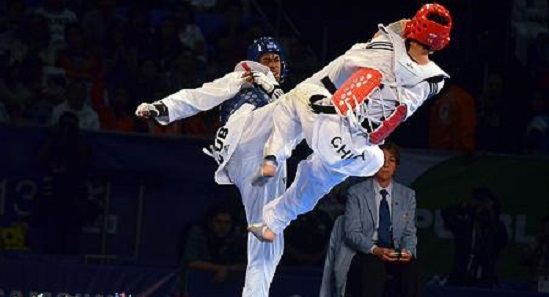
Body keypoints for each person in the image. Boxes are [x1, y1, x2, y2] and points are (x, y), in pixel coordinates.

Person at [248, 2, 453, 243]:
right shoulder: (435, 80)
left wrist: (409, 26)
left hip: (335, 123)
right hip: (361, 153)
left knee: (292, 100)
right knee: (314, 182)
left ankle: (273, 157)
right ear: (442, 42)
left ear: (414, 28)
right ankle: (273, 223)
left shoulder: (386, 40)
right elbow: (412, 60)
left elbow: (400, 29)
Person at [135, 37, 288, 297]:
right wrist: (163, 108)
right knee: (300, 106)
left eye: (276, 60)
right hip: (248, 134)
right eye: (266, 60)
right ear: (253, 64)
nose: (271, 65)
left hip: (256, 161)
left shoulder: (279, 94)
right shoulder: (243, 78)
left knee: (270, 234)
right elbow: (201, 95)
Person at [343, 142, 423, 297]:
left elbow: (409, 232)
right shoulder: (356, 192)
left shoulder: (408, 195)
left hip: (395, 253)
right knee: (373, 267)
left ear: (396, 165)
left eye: (391, 160)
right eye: (381, 159)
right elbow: (352, 233)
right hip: (368, 252)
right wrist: (375, 250)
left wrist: (407, 251)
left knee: (414, 268)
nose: (386, 165)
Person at [441, 187, 508, 288]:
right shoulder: (464, 228)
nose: (481, 211)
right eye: (478, 207)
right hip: (460, 280)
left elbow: (502, 241)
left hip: (485, 283)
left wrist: (491, 213)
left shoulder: (494, 231)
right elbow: (446, 214)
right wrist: (464, 206)